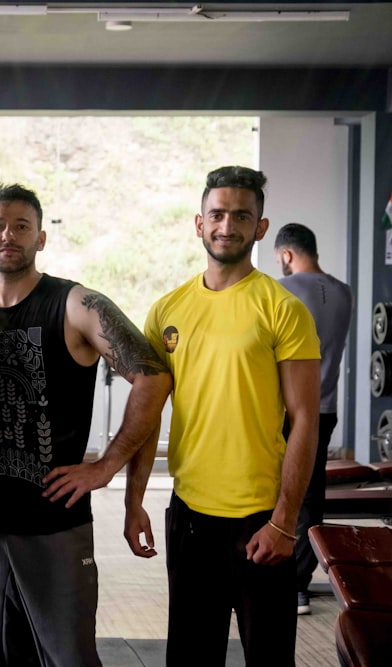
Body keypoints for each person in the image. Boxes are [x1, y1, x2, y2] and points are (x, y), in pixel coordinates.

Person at [0, 183, 172, 667]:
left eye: (22, 226)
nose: (8, 235)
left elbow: (153, 377)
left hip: (54, 518)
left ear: (41, 238)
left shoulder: (76, 305)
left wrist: (106, 466)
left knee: (70, 658)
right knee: (0, 657)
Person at [127, 166, 321, 667]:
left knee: (270, 659)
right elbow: (148, 417)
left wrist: (284, 521)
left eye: (241, 215)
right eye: (217, 213)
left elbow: (304, 419)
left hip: (261, 520)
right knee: (190, 657)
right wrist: (132, 501)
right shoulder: (167, 310)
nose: (226, 224)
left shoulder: (282, 309)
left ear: (260, 227)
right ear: (199, 222)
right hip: (190, 518)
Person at [274, 222, 353, 615]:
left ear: (287, 255)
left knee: (279, 492)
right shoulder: (343, 292)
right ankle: (299, 587)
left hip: (288, 409)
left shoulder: (281, 289)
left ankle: (279, 582)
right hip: (327, 408)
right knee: (310, 494)